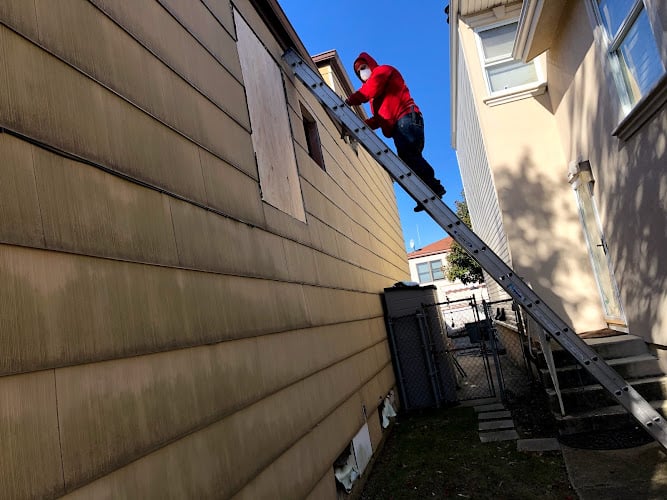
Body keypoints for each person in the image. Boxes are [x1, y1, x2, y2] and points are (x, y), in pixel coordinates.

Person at [345, 52, 445, 212]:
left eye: (363, 67)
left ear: (371, 64)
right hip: (403, 124)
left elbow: (367, 91)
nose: (362, 73)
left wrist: (349, 101)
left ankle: (434, 187)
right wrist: (360, 124)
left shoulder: (382, 71)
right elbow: (378, 119)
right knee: (409, 160)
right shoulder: (375, 99)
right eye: (358, 72)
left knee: (409, 156)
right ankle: (425, 195)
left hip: (406, 119)